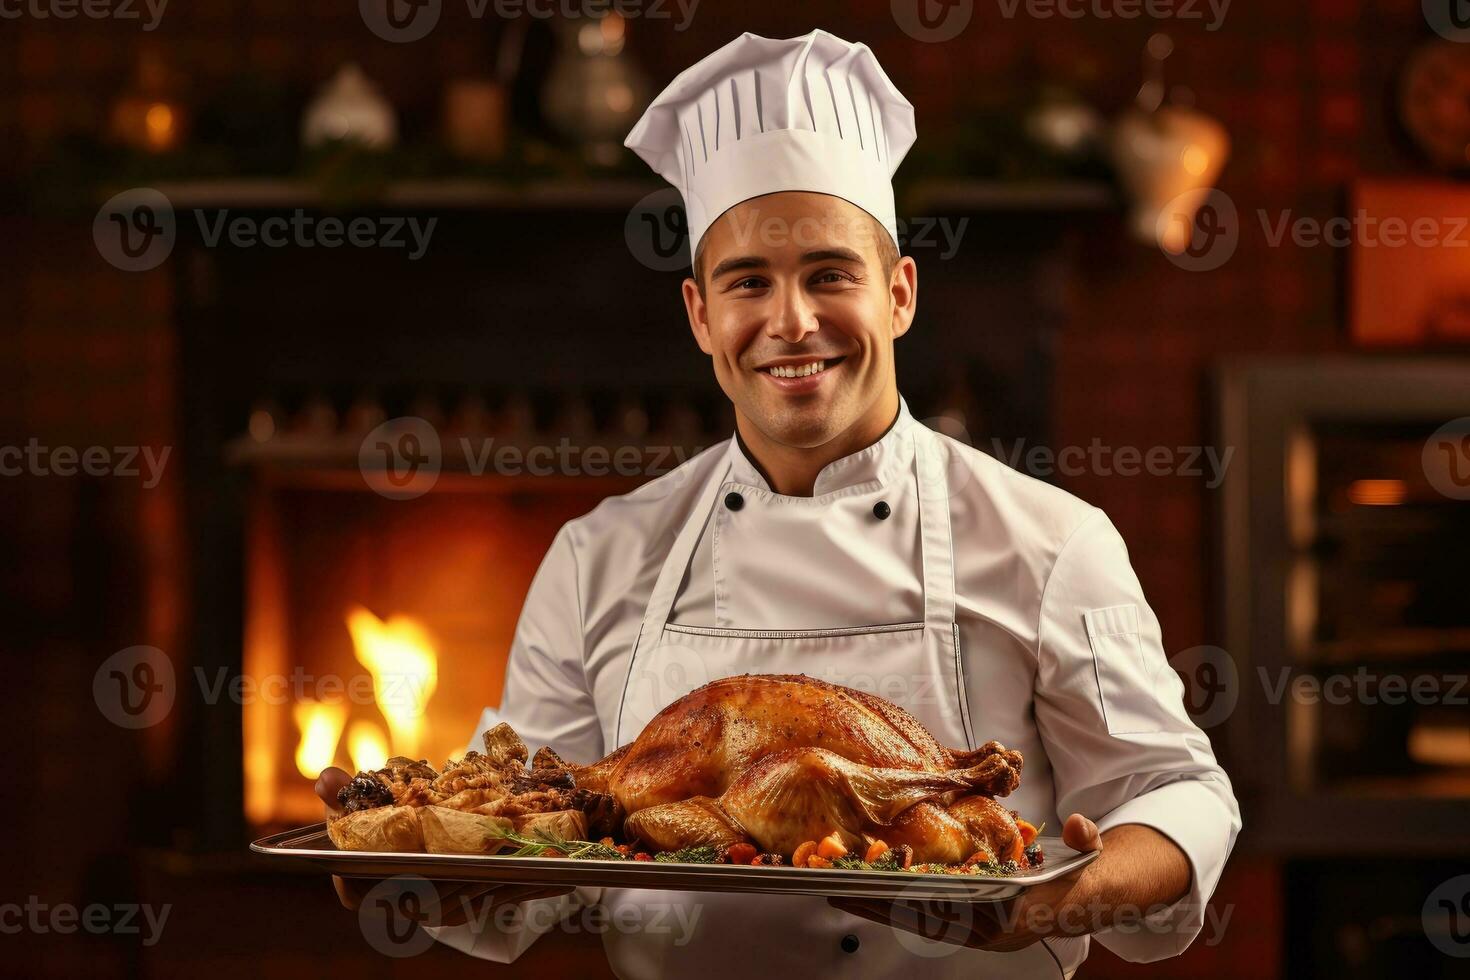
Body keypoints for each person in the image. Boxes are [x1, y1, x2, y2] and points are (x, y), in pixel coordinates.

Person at [317, 29, 1240, 978]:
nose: (790, 321)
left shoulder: (1049, 542)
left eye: (830, 274)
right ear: (700, 316)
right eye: (748, 281)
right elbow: (531, 834)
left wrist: (1070, 894)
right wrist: (418, 870)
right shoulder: (601, 556)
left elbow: (1178, 792)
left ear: (899, 294)